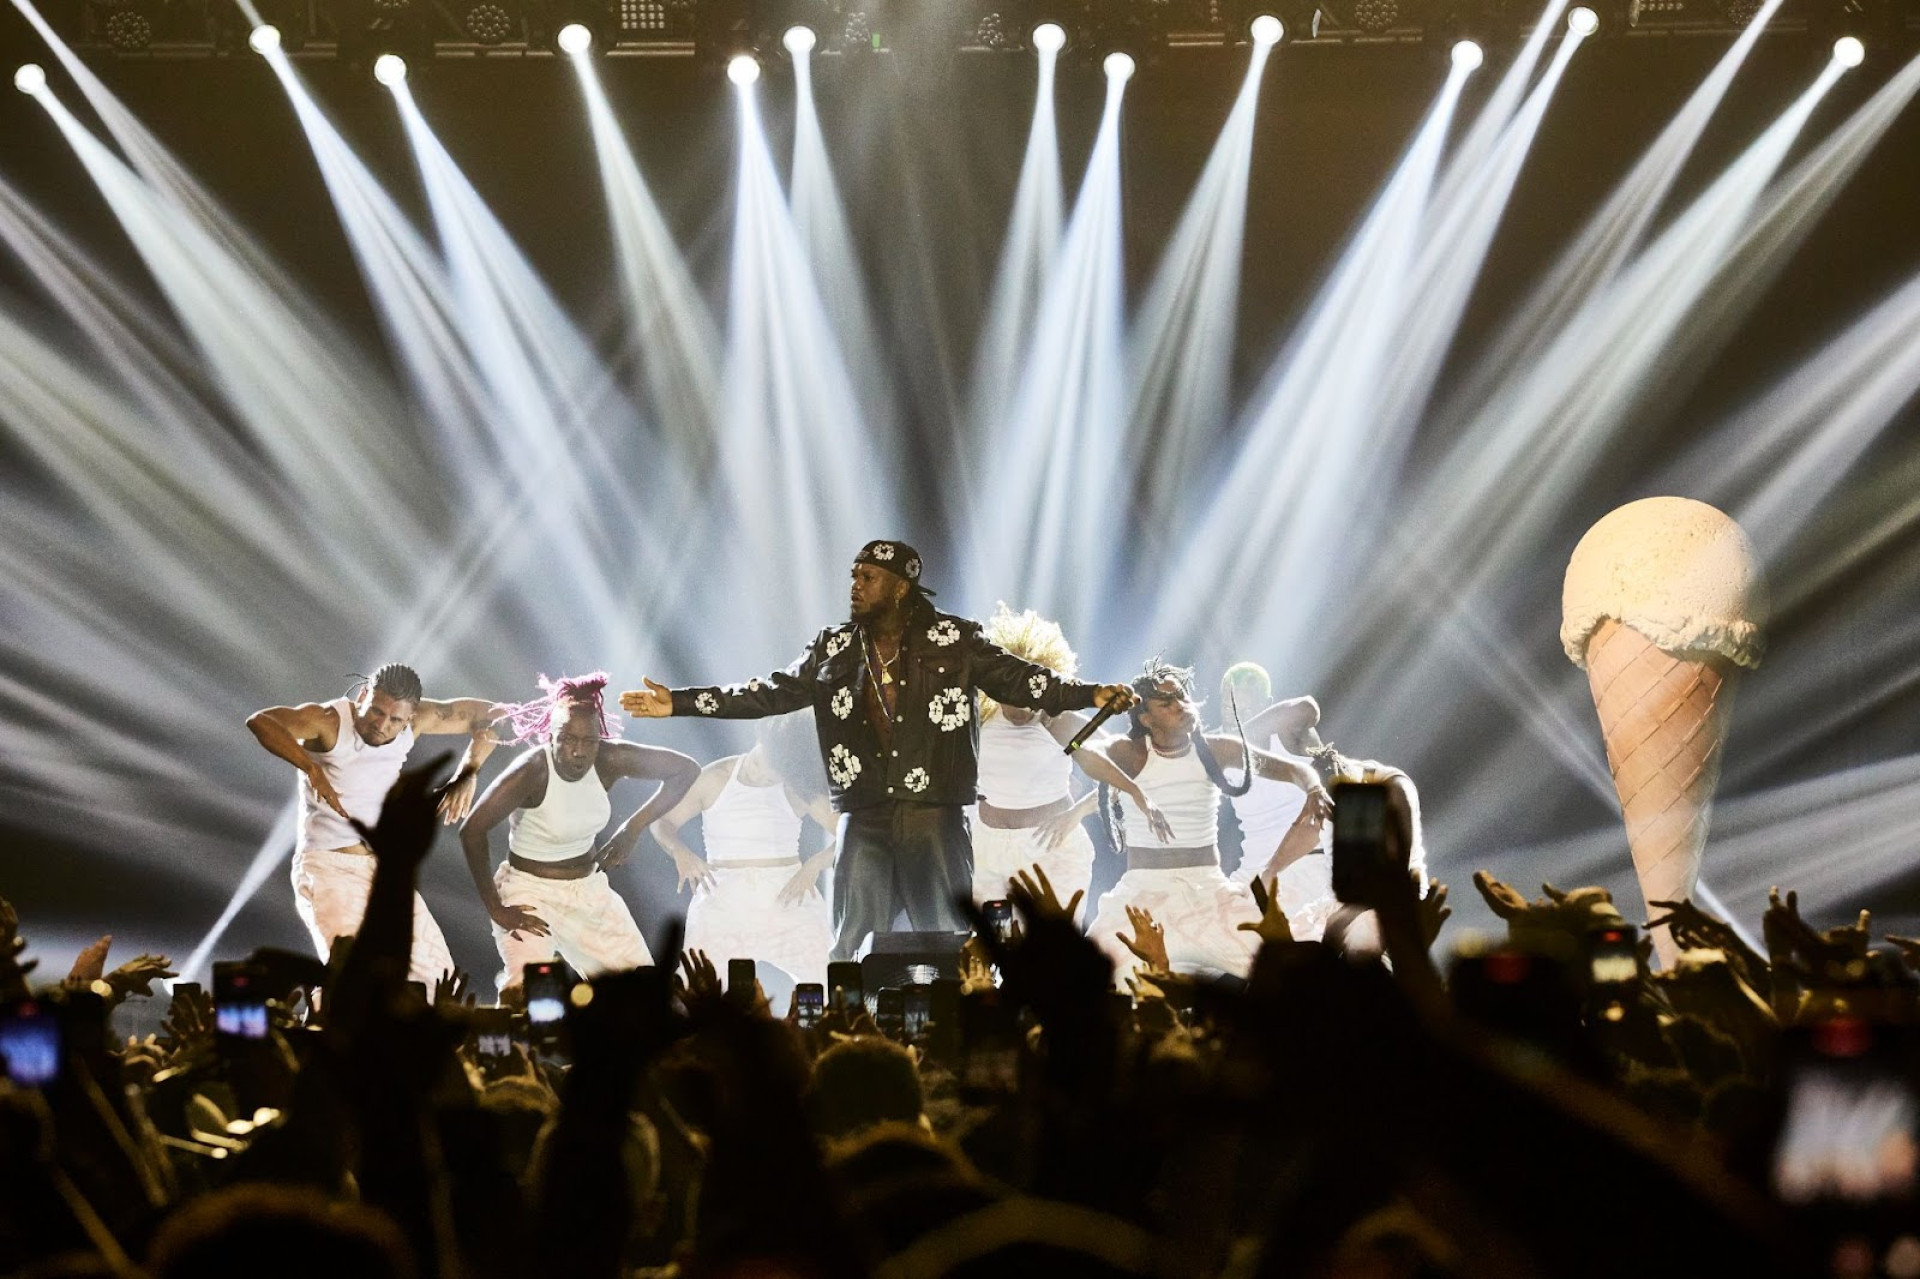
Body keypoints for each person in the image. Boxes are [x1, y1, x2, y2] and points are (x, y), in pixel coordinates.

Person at [620, 539, 1137, 959]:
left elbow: (1024, 682)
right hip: (863, 812)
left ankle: (948, 1040)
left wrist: (1090, 694)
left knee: (948, 936)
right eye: (853, 576)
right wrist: (679, 703)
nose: (855, 586)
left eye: (867, 577)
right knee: (851, 942)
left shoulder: (954, 639)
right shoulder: (834, 647)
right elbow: (767, 693)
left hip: (933, 812)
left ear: (901, 587)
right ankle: (848, 1041)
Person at [246, 663, 501, 983]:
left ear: (410, 717)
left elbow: (493, 715)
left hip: (381, 870)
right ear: (364, 695)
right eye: (376, 712)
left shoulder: (419, 718)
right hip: (328, 869)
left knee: (438, 978)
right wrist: (310, 767)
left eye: (395, 719)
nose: (382, 725)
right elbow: (262, 721)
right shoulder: (328, 720)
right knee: (357, 978)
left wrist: (469, 771)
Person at [1084, 659, 1332, 979]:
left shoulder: (1218, 749)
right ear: (1145, 718)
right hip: (1141, 896)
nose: (1181, 706)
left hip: (1208, 894)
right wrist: (1131, 789)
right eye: (1167, 703)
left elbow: (1296, 768)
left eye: (1182, 698)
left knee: (1291, 974)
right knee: (1082, 981)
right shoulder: (1128, 752)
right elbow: (1079, 748)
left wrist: (1312, 788)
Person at [457, 672, 699, 994]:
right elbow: (472, 831)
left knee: (646, 992)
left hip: (589, 893)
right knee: (526, 993)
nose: (579, 751)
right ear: (551, 736)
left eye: (589, 741)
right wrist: (496, 908)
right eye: (569, 739)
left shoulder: (610, 759)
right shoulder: (532, 771)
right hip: (530, 894)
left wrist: (633, 827)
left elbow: (686, 770)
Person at [971, 604, 1172, 920]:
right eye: (1011, 695)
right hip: (987, 850)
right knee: (987, 955)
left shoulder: (1060, 723)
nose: (1020, 707)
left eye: (1030, 696)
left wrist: (1074, 813)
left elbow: (1134, 768)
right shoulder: (979, 720)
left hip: (1050, 851)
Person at [651, 713, 839, 993]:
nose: (762, 775)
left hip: (787, 893)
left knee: (828, 983)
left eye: (773, 773)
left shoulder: (795, 784)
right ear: (760, 739)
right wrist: (681, 852)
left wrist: (814, 865)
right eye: (762, 764)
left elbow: (848, 833)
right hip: (723, 896)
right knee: (696, 989)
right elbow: (662, 822)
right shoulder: (715, 777)